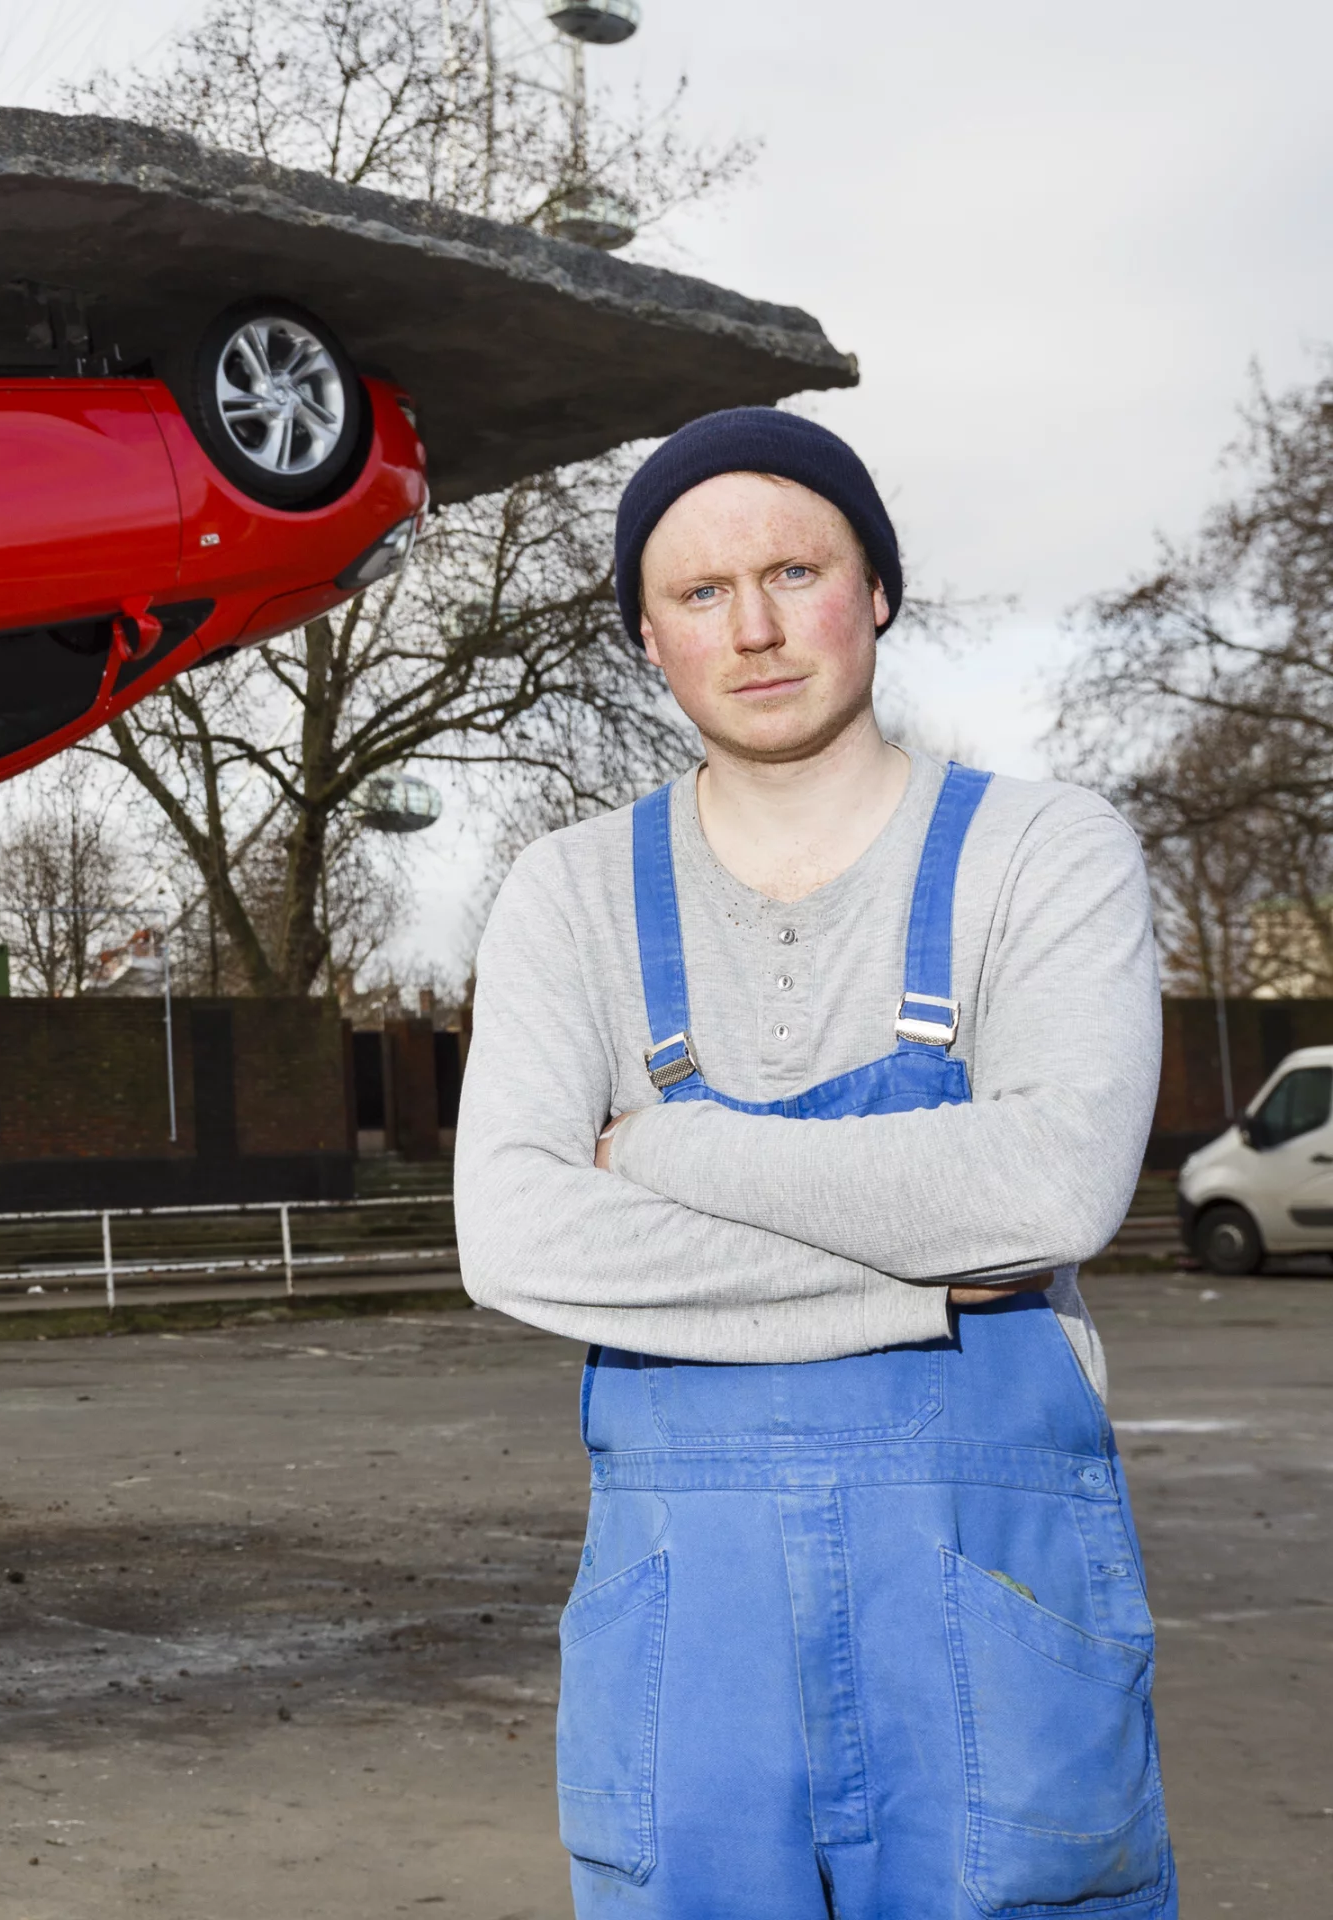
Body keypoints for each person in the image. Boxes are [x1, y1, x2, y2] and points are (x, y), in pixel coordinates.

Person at [453, 408, 1173, 1917]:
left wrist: (663, 1150)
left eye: (798, 569)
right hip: (687, 1667)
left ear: (879, 591)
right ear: (648, 637)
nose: (759, 627)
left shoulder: (1044, 855)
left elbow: (1049, 1192)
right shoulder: (569, 894)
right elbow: (514, 1232)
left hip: (993, 1630)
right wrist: (930, 1271)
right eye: (703, 593)